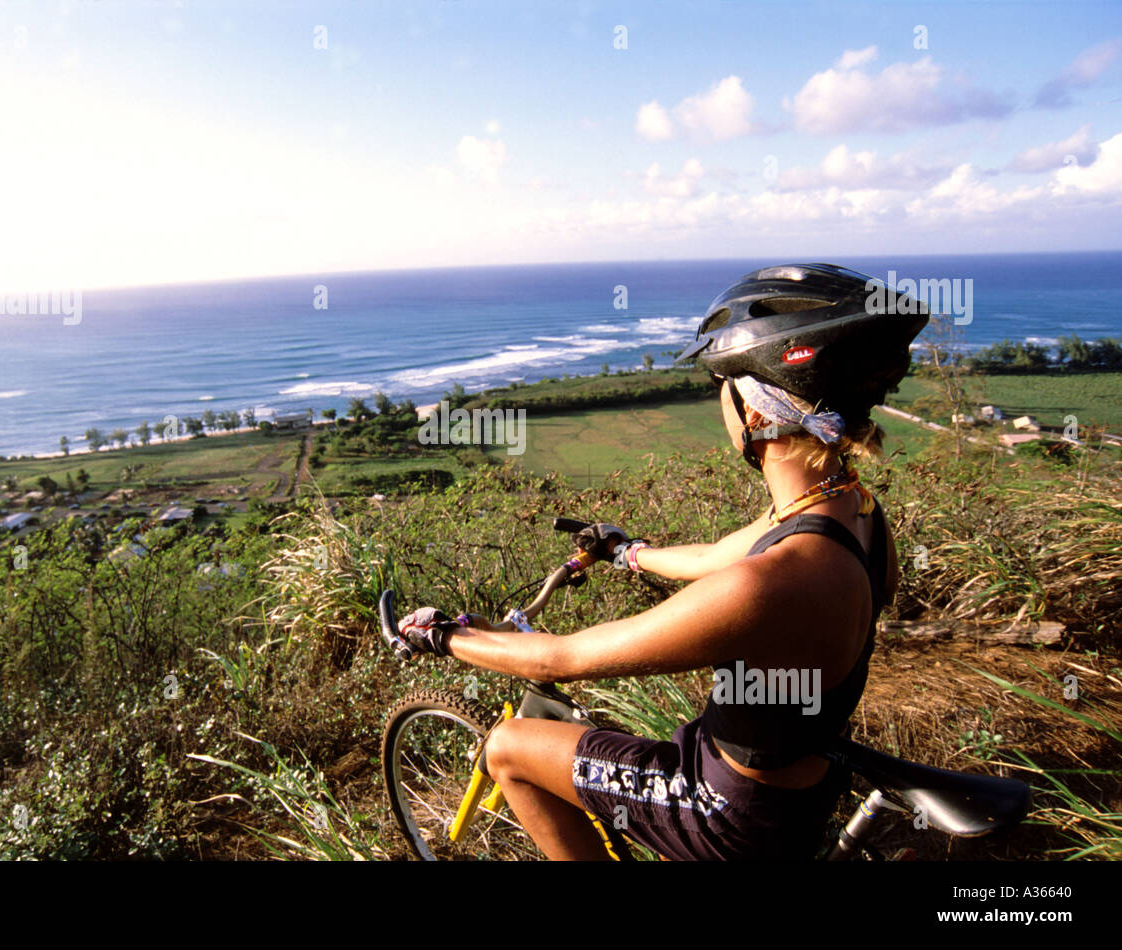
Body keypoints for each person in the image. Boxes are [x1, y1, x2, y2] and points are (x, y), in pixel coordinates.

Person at [398, 263, 929, 860]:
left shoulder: (776, 581)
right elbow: (714, 555)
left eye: (720, 386)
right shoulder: (849, 510)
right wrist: (630, 553)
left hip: (729, 815)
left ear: (754, 412)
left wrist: (443, 635)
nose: (718, 402)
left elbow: (560, 658)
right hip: (801, 791)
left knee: (509, 747)